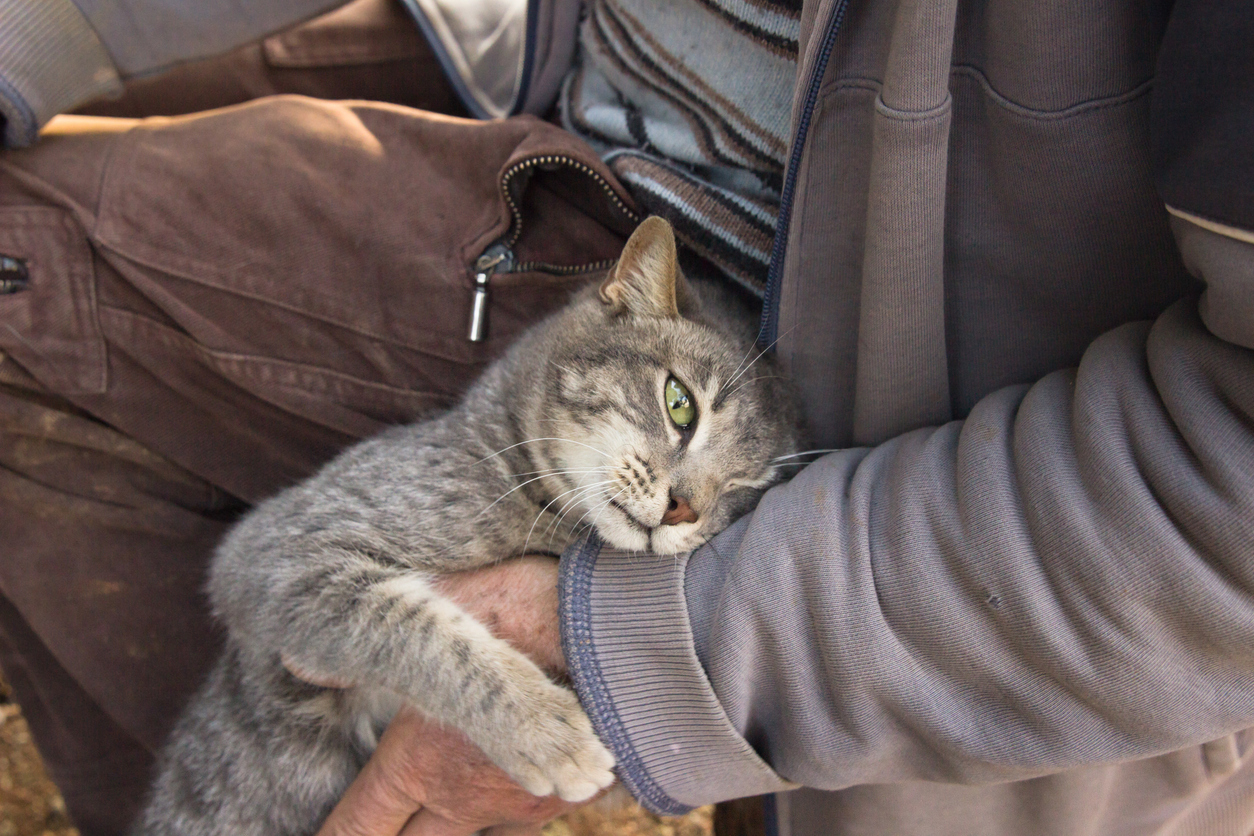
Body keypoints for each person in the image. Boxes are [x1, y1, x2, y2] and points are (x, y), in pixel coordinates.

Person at [1, 0, 1252, 834]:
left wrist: (650, 640)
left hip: (802, 314)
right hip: (552, 57)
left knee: (21, 280)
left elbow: (1225, 516)